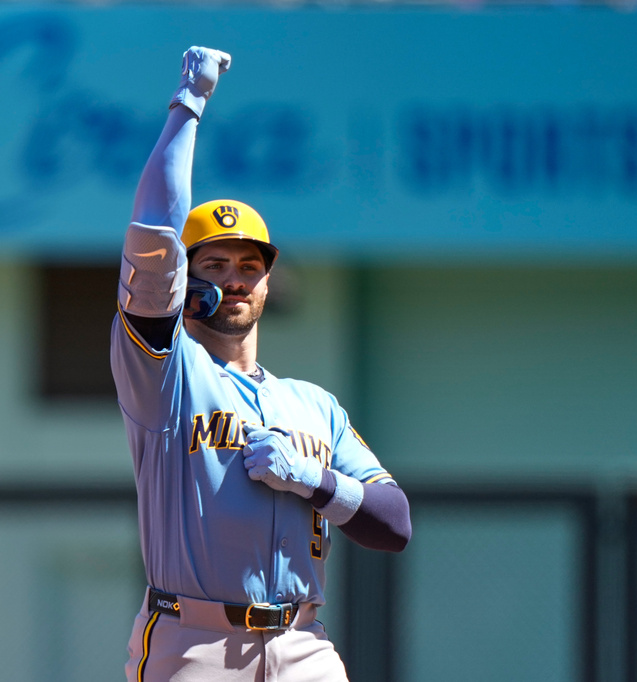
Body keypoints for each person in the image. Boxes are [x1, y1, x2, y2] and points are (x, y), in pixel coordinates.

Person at [110, 46, 412, 682]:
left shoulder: (314, 404)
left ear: (269, 284)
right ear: (187, 282)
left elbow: (394, 523)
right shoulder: (166, 376)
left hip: (303, 642)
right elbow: (151, 239)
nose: (237, 279)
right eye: (215, 265)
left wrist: (315, 481)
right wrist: (188, 107)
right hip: (194, 642)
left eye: (250, 266)